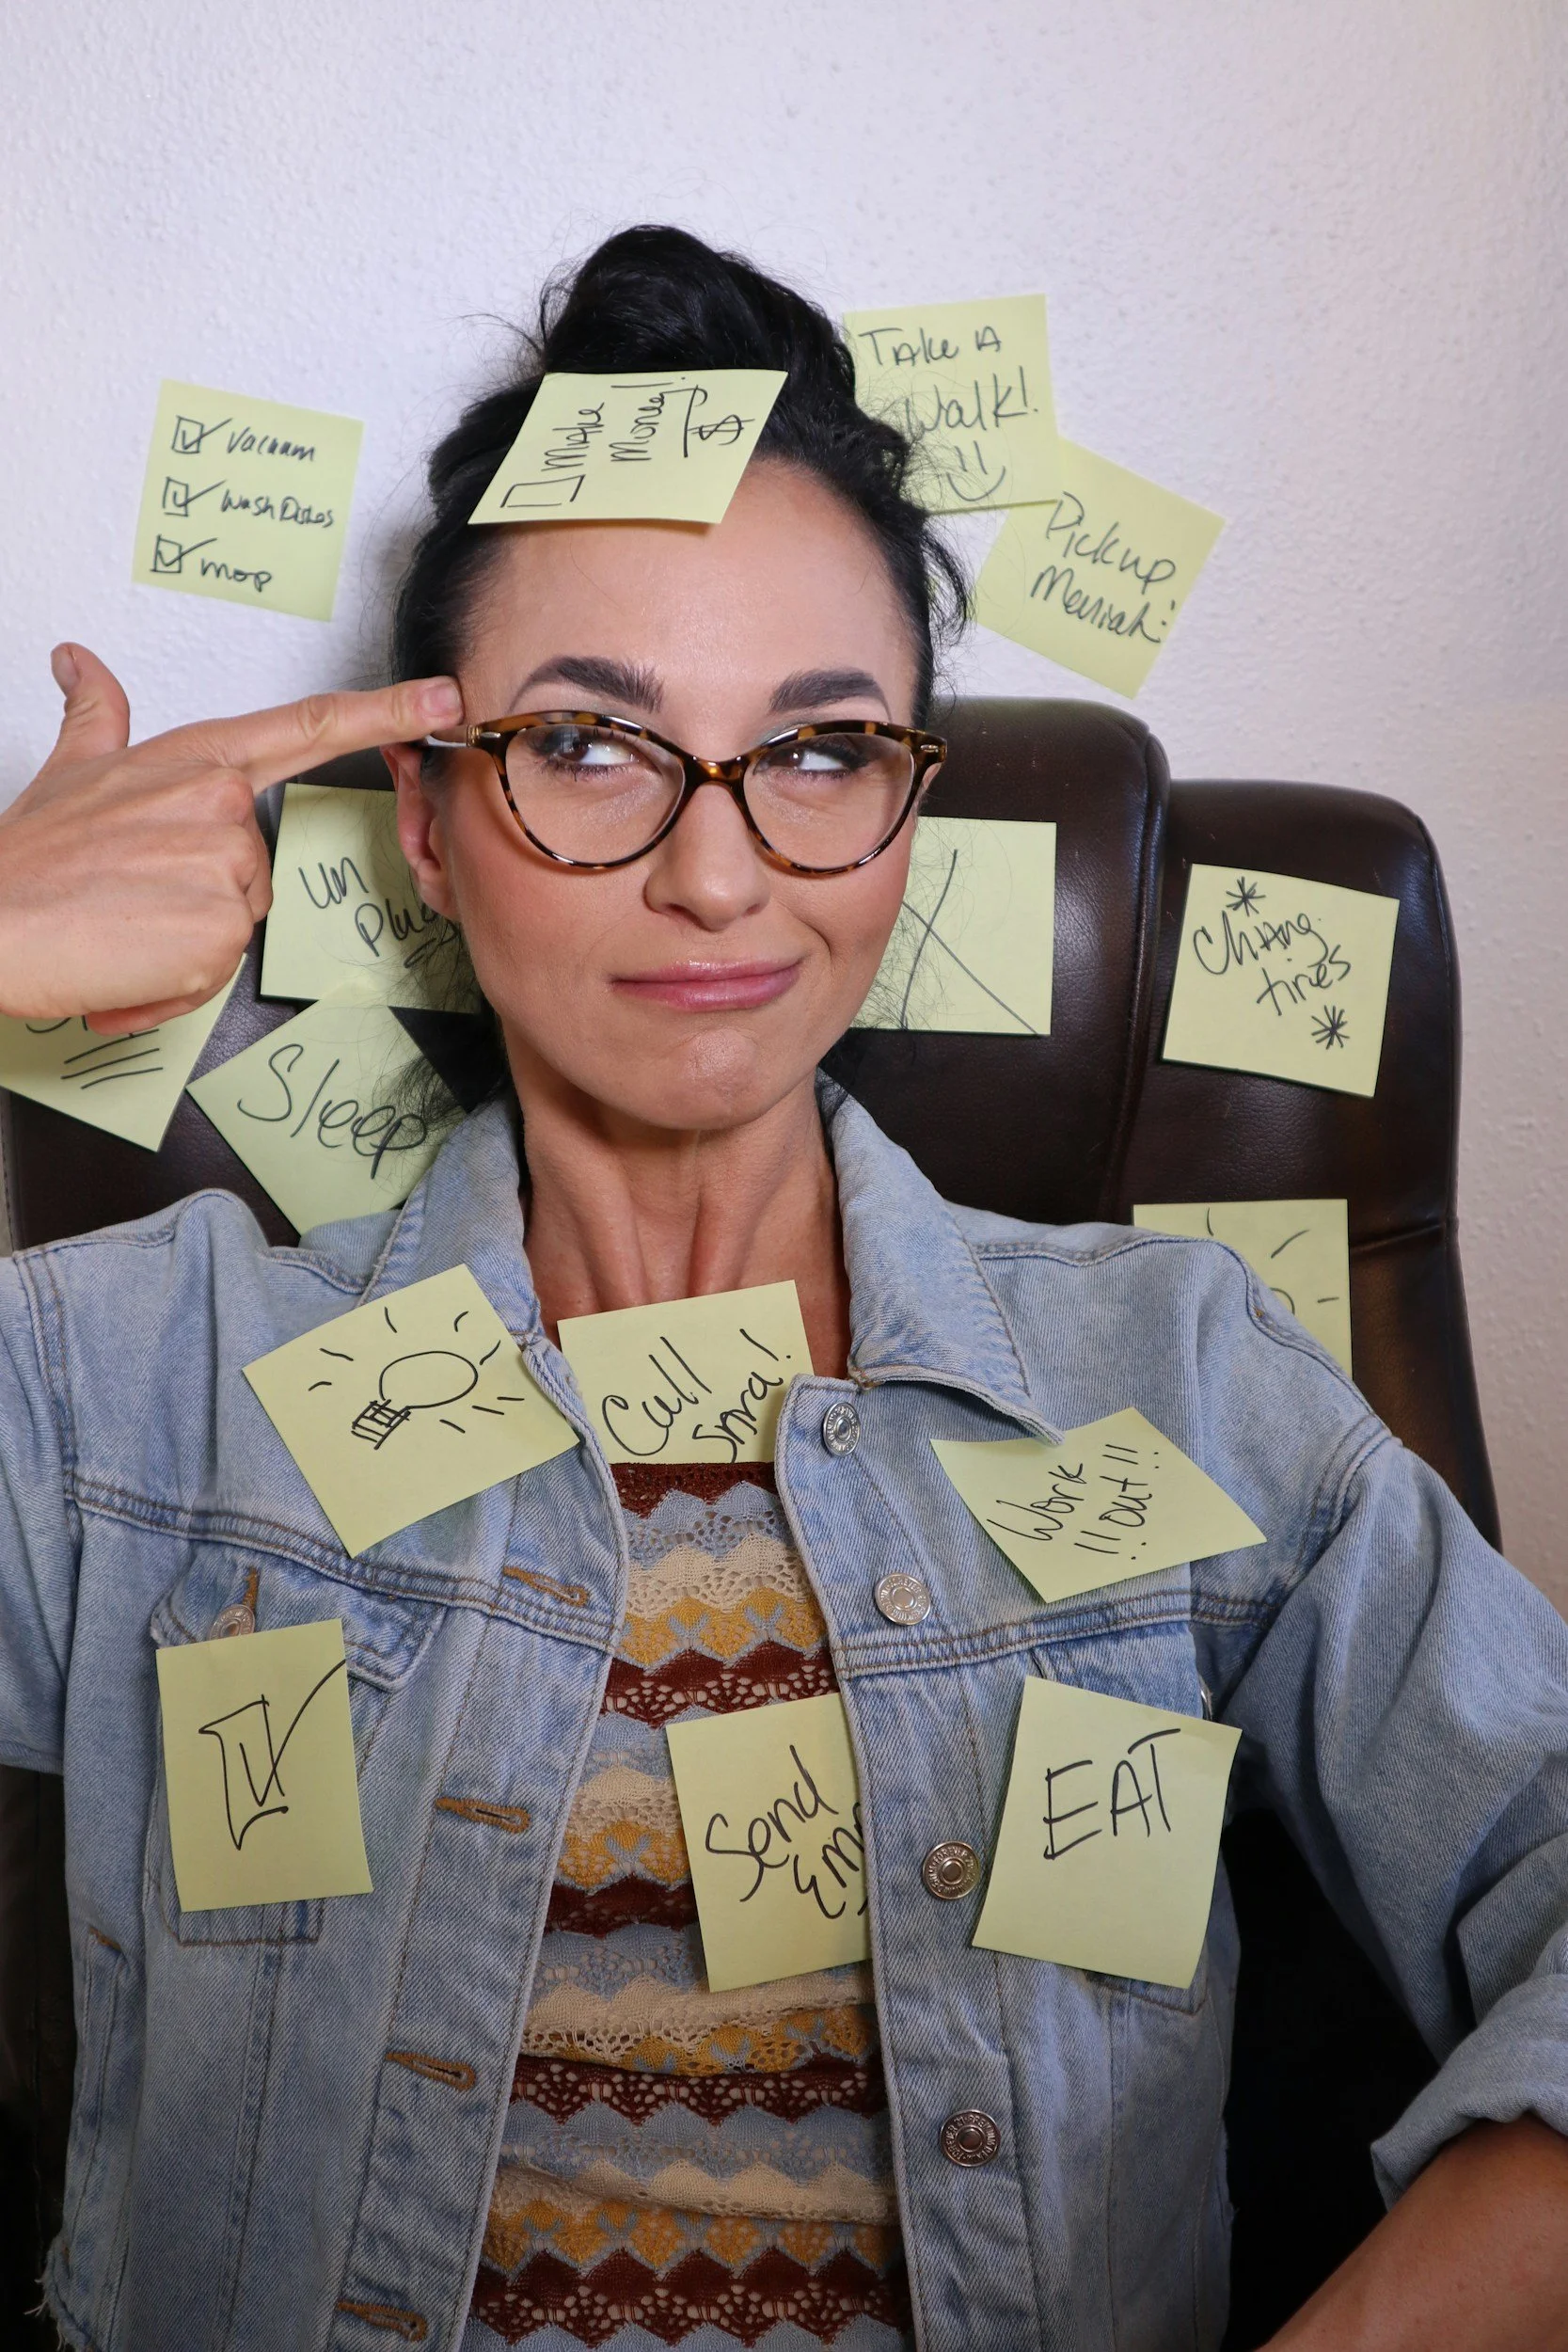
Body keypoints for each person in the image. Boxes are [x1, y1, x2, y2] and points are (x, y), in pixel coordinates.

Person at [0, 225, 1565, 2352]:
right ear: (435, 836)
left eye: (820, 749)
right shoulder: (140, 1382)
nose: (717, 871)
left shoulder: (1177, 1371)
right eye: (587, 742)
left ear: (912, 815)